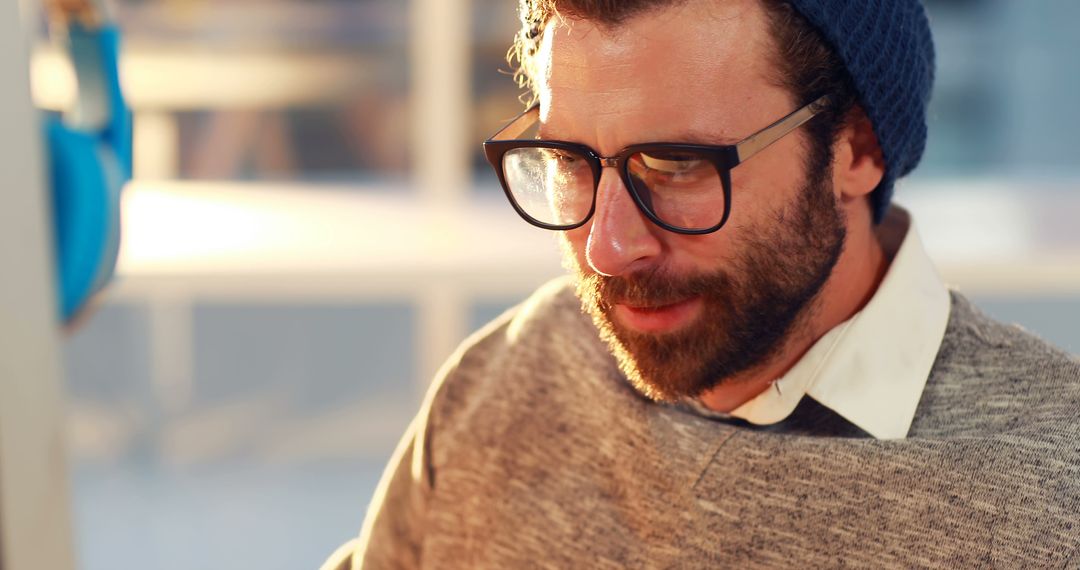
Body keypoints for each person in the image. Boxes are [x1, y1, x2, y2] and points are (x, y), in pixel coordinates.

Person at [323, 0, 1080, 567]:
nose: (609, 249)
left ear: (857, 148)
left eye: (678, 165)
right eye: (569, 161)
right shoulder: (508, 378)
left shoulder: (1050, 501)